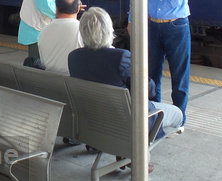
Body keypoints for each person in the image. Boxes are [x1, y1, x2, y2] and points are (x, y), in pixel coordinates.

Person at [68, 7, 183, 139]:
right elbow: (149, 91)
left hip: (94, 122)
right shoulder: (121, 57)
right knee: (177, 114)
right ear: (109, 31)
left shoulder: (73, 57)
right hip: (128, 124)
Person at [146, 0, 199, 126]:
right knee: (152, 75)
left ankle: (179, 119)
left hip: (176, 27)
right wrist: (130, 18)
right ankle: (155, 117)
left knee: (179, 74)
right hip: (152, 26)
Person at [37, 0, 83, 75]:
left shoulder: (43, 31)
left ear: (56, 9)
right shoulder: (83, 30)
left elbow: (43, 62)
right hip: (75, 83)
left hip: (50, 82)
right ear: (77, 9)